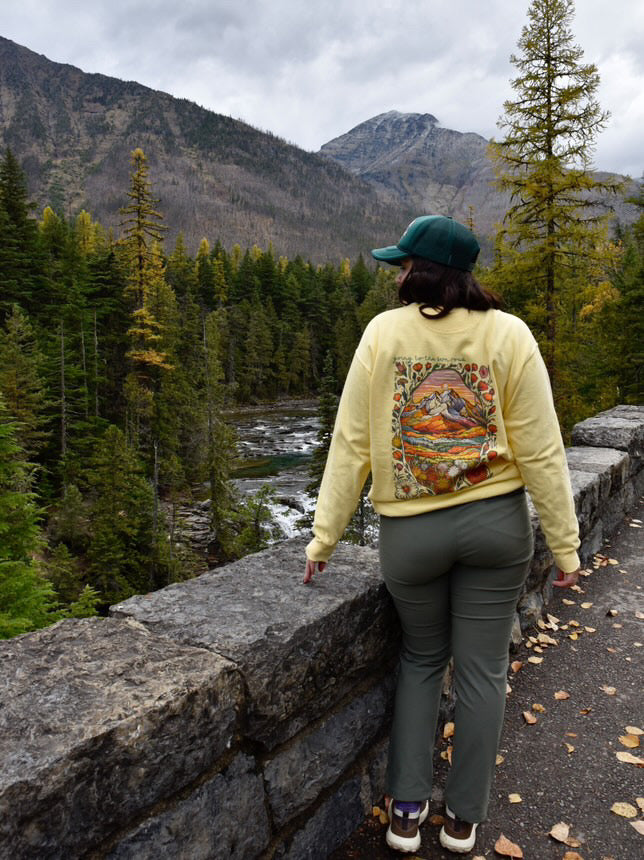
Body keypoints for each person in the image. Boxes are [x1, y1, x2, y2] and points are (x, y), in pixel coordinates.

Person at [303, 215, 581, 855]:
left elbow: (351, 446)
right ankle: (461, 821)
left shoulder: (383, 334)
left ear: (424, 270)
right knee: (484, 671)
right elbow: (542, 451)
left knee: (423, 660)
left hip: (412, 533)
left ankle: (405, 813)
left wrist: (324, 538)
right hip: (495, 526)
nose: (397, 274)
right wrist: (565, 547)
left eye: (402, 265)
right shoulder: (510, 335)